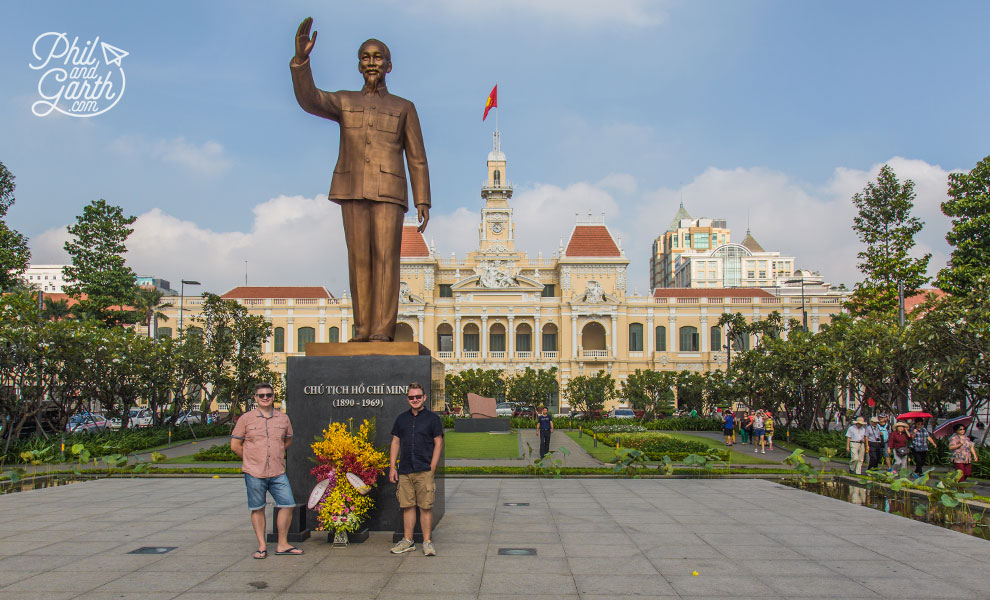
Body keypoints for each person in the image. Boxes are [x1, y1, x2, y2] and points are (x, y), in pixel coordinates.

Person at [291, 18, 431, 342]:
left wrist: (422, 199)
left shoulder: (403, 107)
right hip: (352, 187)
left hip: (390, 191)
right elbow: (309, 98)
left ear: (389, 65)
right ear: (359, 65)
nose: (372, 62)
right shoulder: (344, 101)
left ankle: (383, 330)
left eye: (377, 57)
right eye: (366, 57)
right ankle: (363, 328)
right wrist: (301, 62)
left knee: (386, 260)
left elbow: (417, 157)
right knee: (358, 260)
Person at [230, 383, 302, 559]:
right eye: (261, 395)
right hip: (254, 471)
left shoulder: (283, 418)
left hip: (277, 471)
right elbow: (235, 446)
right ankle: (262, 546)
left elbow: (288, 441)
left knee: (288, 504)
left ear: (273, 397)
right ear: (255, 398)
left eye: (268, 395)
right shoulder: (246, 419)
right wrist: (251, 458)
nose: (265, 398)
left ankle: (282, 544)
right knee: (257, 508)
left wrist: (275, 453)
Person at [389, 382, 443, 556]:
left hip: (424, 469)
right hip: (405, 470)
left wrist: (432, 467)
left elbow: (438, 443)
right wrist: (392, 467)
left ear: (424, 397)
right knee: (408, 506)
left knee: (425, 507)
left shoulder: (433, 419)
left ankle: (427, 542)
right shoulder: (401, 419)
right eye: (411, 397)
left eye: (418, 396)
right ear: (407, 399)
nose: (415, 400)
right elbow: (395, 442)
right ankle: (408, 541)